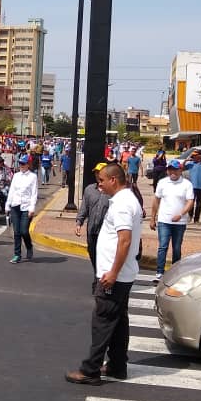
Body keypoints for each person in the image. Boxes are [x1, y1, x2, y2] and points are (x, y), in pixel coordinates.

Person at [65, 163, 141, 385]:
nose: (99, 185)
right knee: (117, 322)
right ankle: (118, 365)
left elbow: (124, 240)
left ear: (113, 180)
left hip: (114, 275)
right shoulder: (123, 200)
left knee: (103, 321)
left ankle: (91, 370)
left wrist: (113, 273)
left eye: (101, 181)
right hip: (118, 274)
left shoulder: (122, 205)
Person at [150, 160, 195, 283]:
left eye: (175, 169)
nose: (172, 172)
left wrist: (181, 214)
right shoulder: (162, 183)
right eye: (170, 169)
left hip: (179, 223)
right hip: (164, 220)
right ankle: (159, 272)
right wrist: (152, 218)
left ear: (180, 170)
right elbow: (156, 200)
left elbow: (190, 202)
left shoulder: (187, 184)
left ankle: (174, 273)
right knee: (162, 246)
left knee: (176, 248)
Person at [75, 163, 110, 272]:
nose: (97, 175)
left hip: (106, 232)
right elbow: (84, 208)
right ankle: (98, 273)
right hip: (92, 230)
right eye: (96, 172)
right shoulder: (90, 189)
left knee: (104, 256)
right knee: (92, 253)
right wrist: (79, 222)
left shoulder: (112, 191)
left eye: (99, 172)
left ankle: (100, 280)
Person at [6, 154, 38, 264]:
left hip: (26, 207)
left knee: (24, 231)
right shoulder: (16, 176)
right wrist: (8, 204)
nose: (21, 165)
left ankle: (29, 247)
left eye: (23, 164)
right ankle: (17, 254)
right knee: (17, 232)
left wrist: (32, 208)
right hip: (15, 205)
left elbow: (34, 194)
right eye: (20, 163)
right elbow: (12, 191)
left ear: (28, 164)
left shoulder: (33, 177)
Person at [183, 150, 201, 224]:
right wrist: (185, 160)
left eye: (195, 155)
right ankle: (190, 217)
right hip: (192, 187)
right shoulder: (191, 164)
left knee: (199, 204)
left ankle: (196, 219)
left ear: (200, 156)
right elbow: (181, 168)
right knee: (191, 203)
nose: (193, 157)